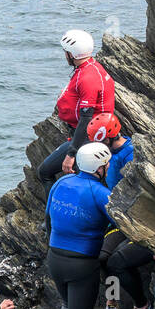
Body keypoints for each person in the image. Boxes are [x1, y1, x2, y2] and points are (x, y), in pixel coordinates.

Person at [45, 142, 113, 309]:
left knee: (66, 306)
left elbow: (48, 220)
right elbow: (123, 223)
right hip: (82, 263)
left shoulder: (60, 183)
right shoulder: (100, 193)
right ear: (100, 168)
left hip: (55, 257)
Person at [89, 112, 155, 309]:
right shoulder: (112, 151)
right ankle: (112, 303)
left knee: (114, 260)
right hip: (117, 217)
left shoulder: (129, 154)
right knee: (101, 257)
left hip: (133, 218)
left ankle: (141, 305)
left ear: (108, 138)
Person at [36, 29, 115, 194]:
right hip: (93, 132)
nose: (65, 55)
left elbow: (86, 118)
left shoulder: (87, 78)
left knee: (44, 173)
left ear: (72, 54)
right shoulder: (92, 67)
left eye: (66, 52)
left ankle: (50, 218)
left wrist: (71, 154)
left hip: (89, 137)